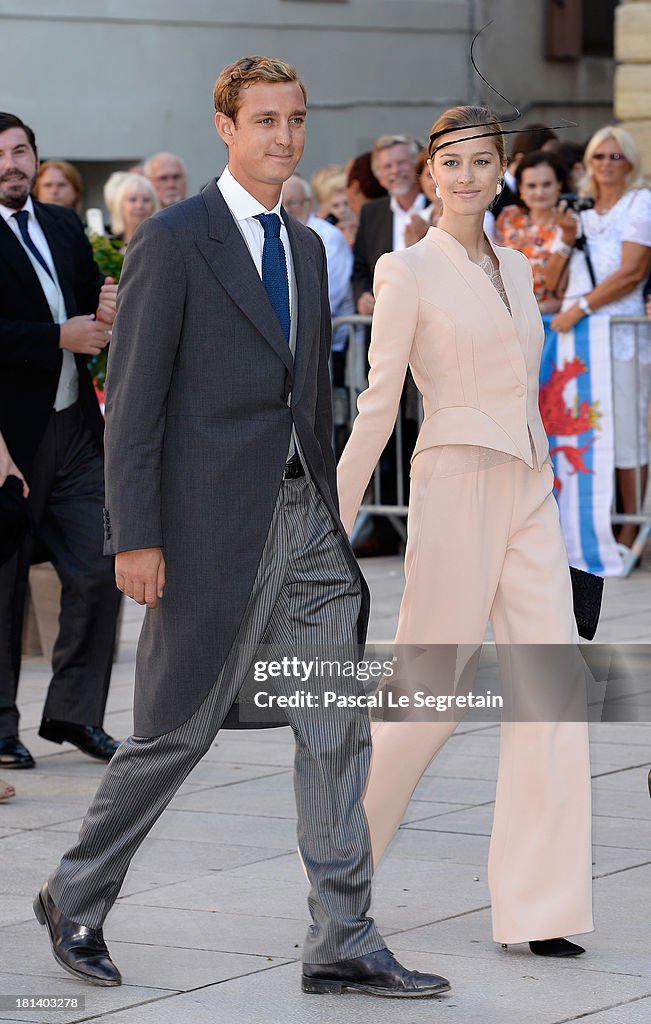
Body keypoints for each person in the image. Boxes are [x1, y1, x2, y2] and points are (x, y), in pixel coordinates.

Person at [34, 58, 449, 1000]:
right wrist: (134, 535)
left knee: (337, 727)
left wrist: (330, 511)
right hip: (209, 532)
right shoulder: (173, 241)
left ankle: (342, 937)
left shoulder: (304, 249)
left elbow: (304, 402)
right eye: (265, 120)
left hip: (305, 530)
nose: (284, 137)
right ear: (225, 126)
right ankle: (77, 892)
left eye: (296, 120)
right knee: (174, 734)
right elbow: (132, 405)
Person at [337, 104, 594, 958]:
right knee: (426, 698)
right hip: (453, 483)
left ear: (501, 173)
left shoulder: (519, 270)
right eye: (451, 162)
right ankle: (340, 875)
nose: (465, 176)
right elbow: (378, 406)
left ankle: (541, 907)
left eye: (482, 162)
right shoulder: (405, 268)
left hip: (528, 487)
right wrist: (333, 518)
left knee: (552, 694)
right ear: (429, 172)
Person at [0, 112, 122, 770]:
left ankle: (76, 713)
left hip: (75, 426)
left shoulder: (63, 223)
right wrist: (56, 337)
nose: (10, 164)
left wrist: (104, 309)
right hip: (7, 438)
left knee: (100, 568)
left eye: (20, 151)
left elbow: (86, 304)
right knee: (4, 586)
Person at [549, 126, 651, 555]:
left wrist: (583, 308)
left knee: (628, 430)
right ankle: (594, 520)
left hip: (618, 331)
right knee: (586, 429)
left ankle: (631, 527)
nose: (607, 165)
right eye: (599, 157)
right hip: (580, 338)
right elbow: (553, 282)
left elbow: (631, 272)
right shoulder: (580, 211)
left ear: (629, 163)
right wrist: (567, 239)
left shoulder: (639, 202)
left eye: (615, 157)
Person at [495, 151, 570, 313]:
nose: (539, 192)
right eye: (531, 186)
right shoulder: (508, 218)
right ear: (521, 188)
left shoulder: (568, 224)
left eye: (546, 184)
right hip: (508, 317)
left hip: (552, 320)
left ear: (559, 185)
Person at [108, 173, 158, 247]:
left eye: (146, 200)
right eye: (132, 199)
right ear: (120, 205)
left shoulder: (163, 242)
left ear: (154, 205)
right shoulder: (108, 246)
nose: (139, 206)